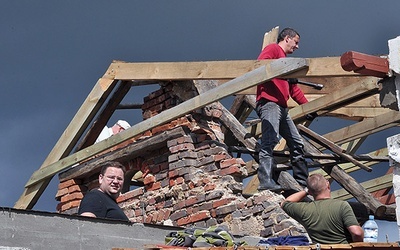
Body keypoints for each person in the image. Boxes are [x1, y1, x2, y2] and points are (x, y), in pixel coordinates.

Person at [256, 27, 309, 191]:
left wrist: (308, 107)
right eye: (296, 42)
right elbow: (261, 66)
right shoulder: (273, 49)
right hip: (269, 103)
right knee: (270, 140)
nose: (297, 46)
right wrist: (281, 71)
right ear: (287, 38)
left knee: (297, 143)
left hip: (282, 107)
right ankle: (265, 181)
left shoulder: (287, 61)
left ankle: (301, 183)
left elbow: (294, 90)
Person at [281, 173, 364, 244]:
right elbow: (357, 233)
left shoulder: (304, 210)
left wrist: (306, 190)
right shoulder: (342, 206)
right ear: (328, 184)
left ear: (310, 192)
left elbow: (285, 203)